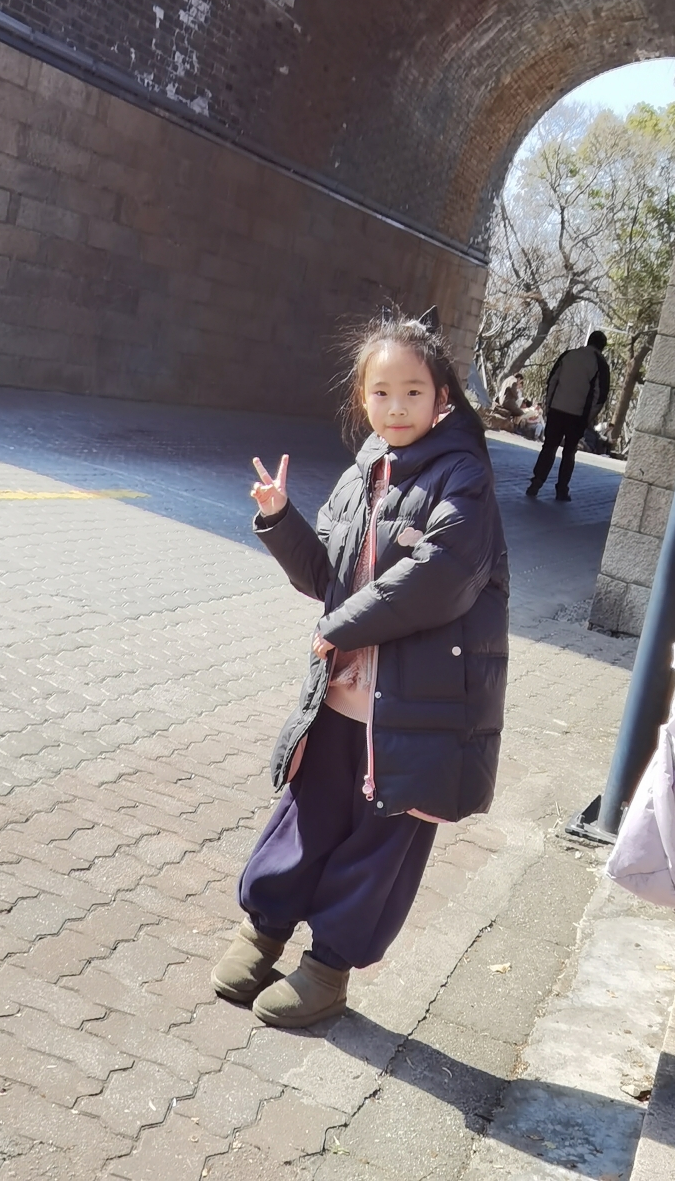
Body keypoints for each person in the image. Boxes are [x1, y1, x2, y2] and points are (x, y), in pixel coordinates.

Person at [210, 314, 510, 1028]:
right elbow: (327, 579)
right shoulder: (360, 474)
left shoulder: (465, 476)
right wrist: (281, 521)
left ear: (442, 396)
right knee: (306, 817)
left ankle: (327, 971)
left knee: (378, 845)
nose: (396, 407)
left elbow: (443, 577)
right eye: (381, 392)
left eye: (413, 391)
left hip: (420, 711)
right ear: (361, 397)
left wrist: (339, 628)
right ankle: (263, 932)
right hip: (343, 697)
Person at [525, 331, 610, 501]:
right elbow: (600, 397)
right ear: (602, 347)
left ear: (589, 341)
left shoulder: (569, 355)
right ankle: (562, 489)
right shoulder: (600, 364)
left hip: (557, 409)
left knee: (549, 447)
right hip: (578, 415)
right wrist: (588, 417)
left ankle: (536, 483)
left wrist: (549, 405)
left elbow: (552, 381)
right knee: (569, 452)